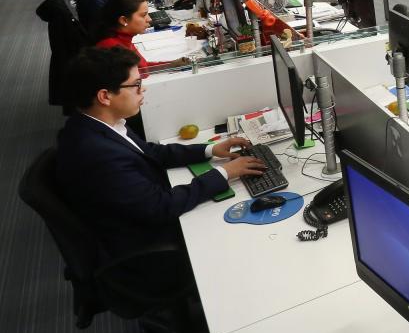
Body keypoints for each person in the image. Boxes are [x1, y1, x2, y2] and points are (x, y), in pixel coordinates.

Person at [57, 46, 266, 263]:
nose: (144, 89)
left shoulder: (100, 123)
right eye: (136, 84)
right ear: (105, 96)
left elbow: (151, 152)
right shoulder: (98, 154)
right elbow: (160, 206)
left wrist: (210, 149)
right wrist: (224, 173)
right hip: (146, 247)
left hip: (141, 213)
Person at [93, 0, 181, 70]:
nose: (149, 19)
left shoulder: (123, 40)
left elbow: (143, 68)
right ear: (124, 20)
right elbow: (141, 73)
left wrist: (173, 64)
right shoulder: (112, 49)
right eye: (143, 15)